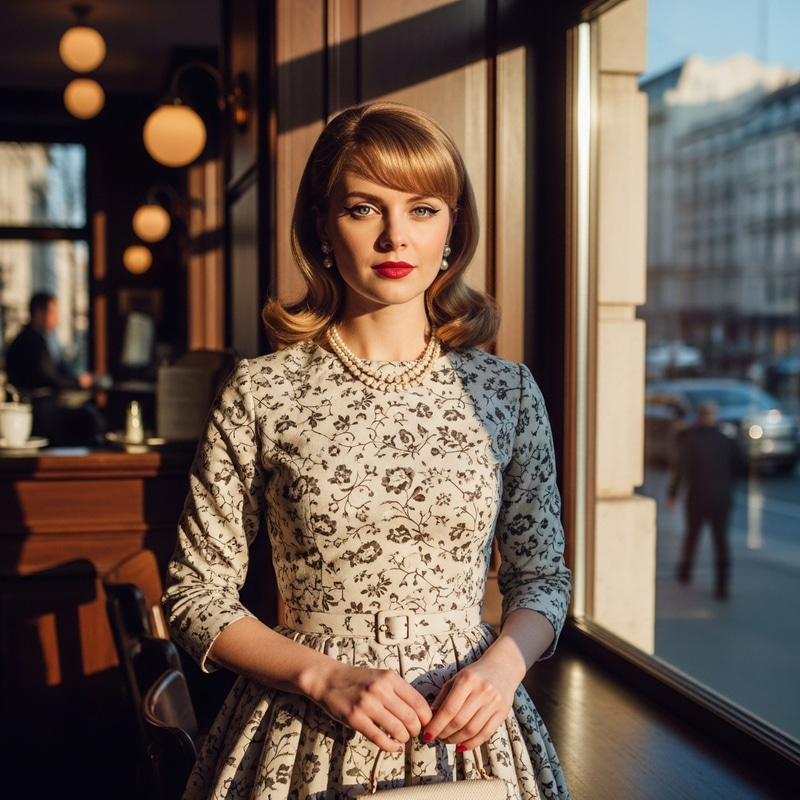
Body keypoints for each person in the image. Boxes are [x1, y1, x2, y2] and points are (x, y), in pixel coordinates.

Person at [163, 101, 572, 800]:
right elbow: (194, 594)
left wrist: (505, 665)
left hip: (471, 740)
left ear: (452, 229)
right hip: (302, 730)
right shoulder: (262, 391)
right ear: (322, 226)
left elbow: (543, 580)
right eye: (363, 209)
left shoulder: (507, 391)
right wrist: (321, 674)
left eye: (422, 209)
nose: (394, 237)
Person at [4, 292, 103, 445]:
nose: (57, 319)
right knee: (88, 417)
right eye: (53, 312)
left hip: (38, 409)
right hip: (36, 412)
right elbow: (49, 376)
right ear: (38, 313)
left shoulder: (32, 339)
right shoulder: (31, 342)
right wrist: (78, 382)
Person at [667, 399, 739, 600]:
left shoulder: (690, 439)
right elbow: (738, 467)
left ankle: (685, 572)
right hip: (721, 498)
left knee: (692, 536)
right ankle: (722, 586)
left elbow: (681, 469)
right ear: (716, 418)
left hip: (697, 497)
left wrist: (673, 495)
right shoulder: (727, 440)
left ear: (699, 417)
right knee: (721, 541)